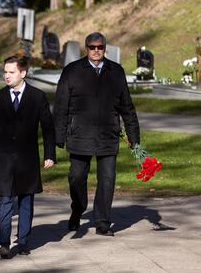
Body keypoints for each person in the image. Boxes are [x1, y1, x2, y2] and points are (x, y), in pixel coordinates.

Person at [54, 32, 140, 237]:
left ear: (105, 48)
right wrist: (59, 136)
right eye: (92, 47)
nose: (96, 51)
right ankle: (78, 209)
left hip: (108, 134)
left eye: (99, 47)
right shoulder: (72, 71)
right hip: (79, 135)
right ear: (86, 49)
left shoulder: (116, 72)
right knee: (76, 177)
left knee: (108, 180)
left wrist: (134, 137)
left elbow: (127, 107)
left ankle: (103, 222)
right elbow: (60, 106)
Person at [0, 56, 56, 259]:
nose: (6, 76)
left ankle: (24, 241)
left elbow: (48, 128)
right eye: (5, 72)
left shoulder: (37, 96)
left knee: (26, 201)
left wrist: (49, 154)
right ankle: (4, 242)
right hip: (4, 159)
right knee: (5, 201)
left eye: (11, 72)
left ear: (23, 73)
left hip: (28, 159)